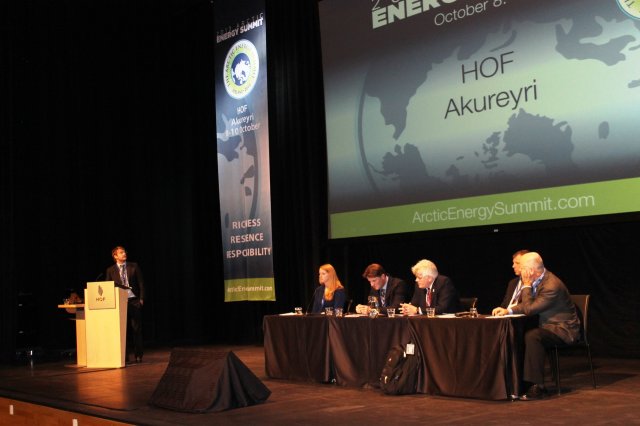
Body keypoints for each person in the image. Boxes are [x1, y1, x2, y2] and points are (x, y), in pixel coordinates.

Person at [493, 252, 580, 400]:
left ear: (531, 270)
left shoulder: (551, 285)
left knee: (533, 336)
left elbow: (529, 309)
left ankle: (537, 386)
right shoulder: (539, 280)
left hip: (562, 329)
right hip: (547, 326)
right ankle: (515, 383)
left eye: (523, 268)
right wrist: (509, 310)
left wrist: (526, 286)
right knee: (522, 334)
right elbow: (528, 305)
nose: (520, 271)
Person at [105, 246, 145, 363]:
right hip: (119, 302)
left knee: (136, 329)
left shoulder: (134, 266)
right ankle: (124, 356)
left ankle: (138, 355)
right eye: (121, 252)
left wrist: (141, 299)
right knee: (122, 331)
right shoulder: (110, 270)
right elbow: (108, 287)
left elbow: (141, 283)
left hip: (134, 301)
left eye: (124, 252)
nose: (124, 254)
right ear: (115, 256)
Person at [491, 249, 529, 315]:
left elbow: (528, 306)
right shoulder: (512, 283)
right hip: (507, 318)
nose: (513, 266)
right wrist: (499, 310)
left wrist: (508, 311)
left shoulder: (533, 283)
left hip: (521, 320)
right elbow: (504, 305)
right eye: (513, 263)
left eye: (517, 263)